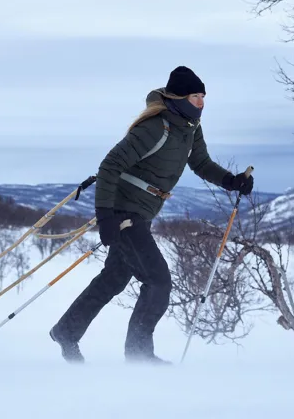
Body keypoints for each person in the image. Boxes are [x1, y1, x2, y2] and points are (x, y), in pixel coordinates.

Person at [49, 66, 254, 364]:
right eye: (196, 96)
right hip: (124, 212)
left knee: (114, 278)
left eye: (203, 96)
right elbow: (110, 165)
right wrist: (105, 216)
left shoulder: (190, 127)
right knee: (158, 281)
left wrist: (231, 181)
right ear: (179, 97)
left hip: (142, 212)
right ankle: (139, 356)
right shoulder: (155, 127)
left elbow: (201, 162)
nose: (201, 103)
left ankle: (67, 331)